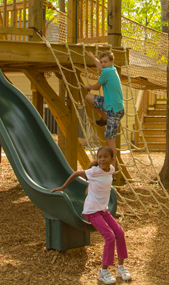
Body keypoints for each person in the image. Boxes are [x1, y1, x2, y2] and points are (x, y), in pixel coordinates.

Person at [52, 147, 131, 284]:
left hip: (103, 210)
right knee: (109, 236)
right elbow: (76, 173)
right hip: (92, 212)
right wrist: (63, 188)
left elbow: (112, 151)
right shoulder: (94, 171)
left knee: (119, 233)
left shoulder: (111, 169)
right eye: (99, 157)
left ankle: (121, 267)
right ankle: (104, 271)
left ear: (111, 159)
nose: (101, 159)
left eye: (105, 157)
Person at [85, 51, 124, 154]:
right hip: (109, 105)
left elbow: (97, 86)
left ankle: (112, 167)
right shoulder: (111, 69)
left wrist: (89, 87)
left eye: (105, 62)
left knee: (109, 140)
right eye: (101, 61)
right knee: (89, 97)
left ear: (112, 62)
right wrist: (93, 57)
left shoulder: (107, 72)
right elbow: (101, 68)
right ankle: (104, 117)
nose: (102, 64)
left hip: (114, 110)